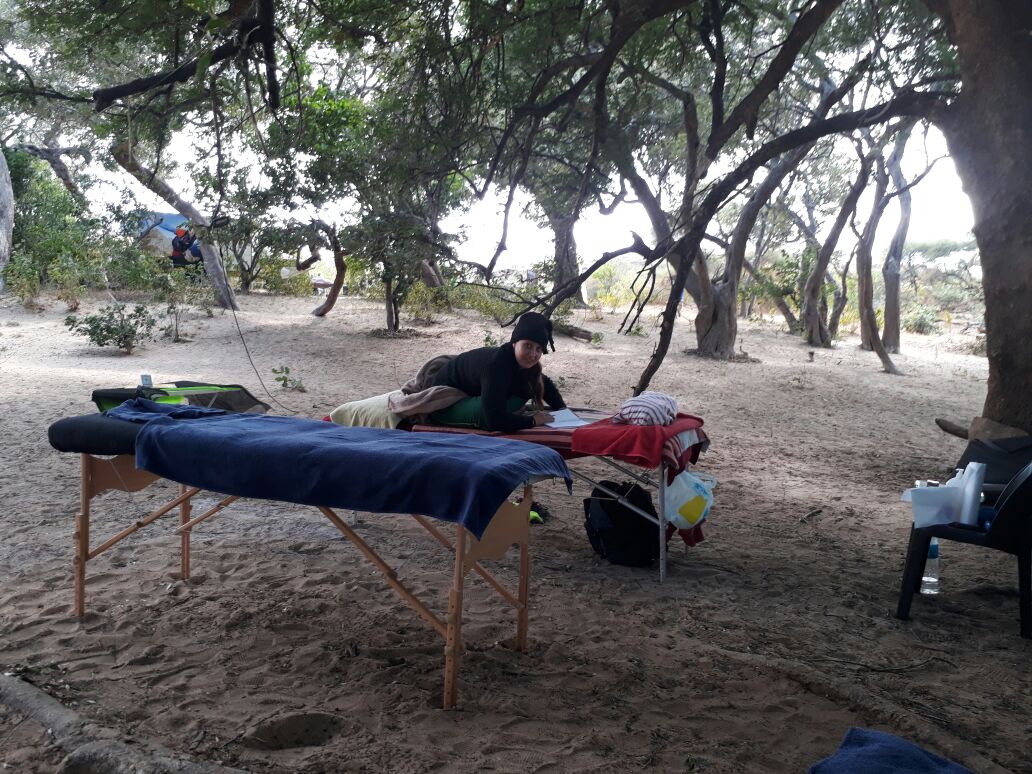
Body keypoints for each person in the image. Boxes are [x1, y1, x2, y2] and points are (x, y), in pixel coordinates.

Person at [429, 311, 566, 432]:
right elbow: (494, 420)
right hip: (443, 404)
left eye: (538, 349)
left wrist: (563, 412)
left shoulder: (520, 363)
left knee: (526, 387)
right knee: (488, 414)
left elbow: (544, 384)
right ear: (514, 343)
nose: (533, 355)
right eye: (528, 346)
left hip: (470, 393)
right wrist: (533, 421)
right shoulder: (497, 366)